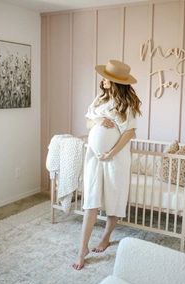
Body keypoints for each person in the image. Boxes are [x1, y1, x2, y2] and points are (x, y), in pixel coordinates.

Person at [72, 59, 142, 270]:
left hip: (115, 158)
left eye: (106, 78)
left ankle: (105, 237)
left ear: (115, 82)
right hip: (94, 157)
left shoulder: (127, 105)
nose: (102, 81)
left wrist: (111, 152)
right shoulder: (99, 100)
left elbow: (130, 132)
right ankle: (82, 249)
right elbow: (88, 122)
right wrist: (98, 122)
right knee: (90, 201)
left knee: (114, 199)